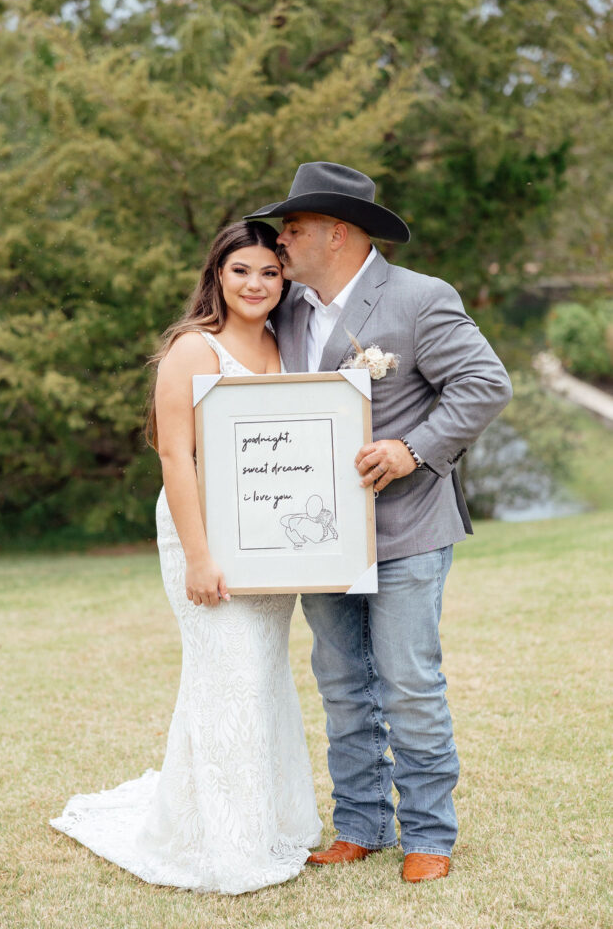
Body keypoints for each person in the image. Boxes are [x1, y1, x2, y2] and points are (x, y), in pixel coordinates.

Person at [244, 162, 513, 883]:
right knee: (338, 680)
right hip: (318, 535)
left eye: (291, 228)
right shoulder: (287, 309)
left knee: (407, 682)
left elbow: (486, 383)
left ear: (337, 233)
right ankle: (361, 823)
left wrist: (412, 448)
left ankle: (429, 833)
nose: (279, 241)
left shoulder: (422, 298)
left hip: (407, 528)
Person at [50, 220, 322, 895]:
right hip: (201, 529)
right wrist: (199, 557)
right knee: (223, 676)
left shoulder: (287, 344)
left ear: (283, 278)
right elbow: (174, 454)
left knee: (259, 674)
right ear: (217, 277)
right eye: (240, 272)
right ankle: (223, 845)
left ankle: (270, 822)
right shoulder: (192, 350)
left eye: (268, 271)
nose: (256, 284)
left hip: (268, 535)